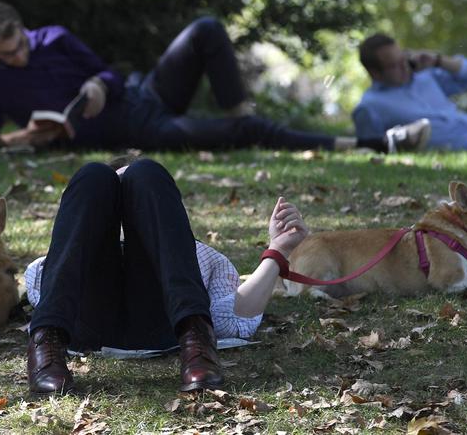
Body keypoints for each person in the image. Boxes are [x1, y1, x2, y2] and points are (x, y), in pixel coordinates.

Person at [0, 2, 431, 154]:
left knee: (206, 29)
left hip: (141, 93)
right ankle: (375, 144)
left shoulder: (54, 37)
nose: (22, 55)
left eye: (24, 43)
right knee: (248, 135)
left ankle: (239, 111)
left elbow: (107, 71)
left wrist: (97, 84)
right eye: (11, 54)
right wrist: (22, 137)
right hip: (137, 130)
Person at [23, 158, 310, 393]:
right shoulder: (57, 262)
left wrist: (277, 252)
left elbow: (234, 316)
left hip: (163, 324)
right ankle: (46, 345)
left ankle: (196, 339)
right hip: (87, 323)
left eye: (131, 195)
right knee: (92, 174)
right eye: (116, 196)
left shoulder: (195, 255)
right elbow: (49, 294)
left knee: (148, 171)